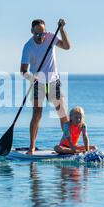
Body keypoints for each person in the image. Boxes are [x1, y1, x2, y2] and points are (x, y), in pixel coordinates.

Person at [20, 18, 71, 155]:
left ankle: (69, 144)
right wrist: (32, 78)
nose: (41, 37)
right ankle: (32, 147)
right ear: (32, 32)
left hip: (54, 81)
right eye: (37, 34)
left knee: (62, 113)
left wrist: (61, 30)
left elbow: (67, 46)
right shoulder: (28, 47)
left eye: (42, 33)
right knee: (37, 114)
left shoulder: (50, 37)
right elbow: (23, 70)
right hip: (38, 83)